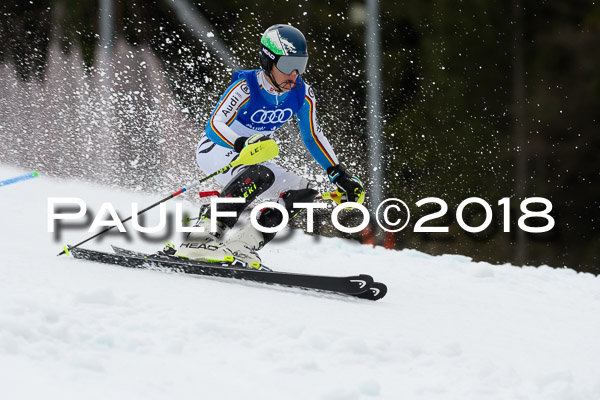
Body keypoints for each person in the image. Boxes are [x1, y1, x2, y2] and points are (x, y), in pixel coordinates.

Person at [174, 24, 365, 268]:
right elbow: (215, 123)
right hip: (217, 148)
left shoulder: (302, 93)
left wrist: (338, 174)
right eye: (287, 66)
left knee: (302, 191)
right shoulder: (246, 86)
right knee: (258, 174)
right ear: (268, 61)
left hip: (253, 157)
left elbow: (313, 137)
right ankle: (199, 240)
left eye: (300, 65)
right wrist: (241, 142)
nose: (294, 75)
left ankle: (243, 245)